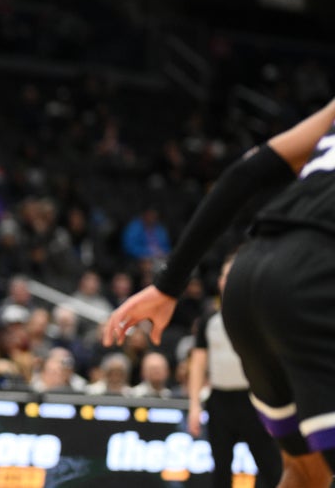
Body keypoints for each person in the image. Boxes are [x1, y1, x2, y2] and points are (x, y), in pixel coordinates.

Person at [105, 97, 335, 487]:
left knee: (306, 472)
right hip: (316, 273)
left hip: (249, 272)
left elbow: (244, 174)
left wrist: (168, 284)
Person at [187, 254, 281, 488]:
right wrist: (194, 405)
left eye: (234, 276)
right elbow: (198, 363)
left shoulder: (261, 315)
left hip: (254, 400)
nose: (228, 281)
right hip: (220, 402)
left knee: (271, 468)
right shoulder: (209, 319)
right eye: (225, 276)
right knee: (220, 471)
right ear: (219, 281)